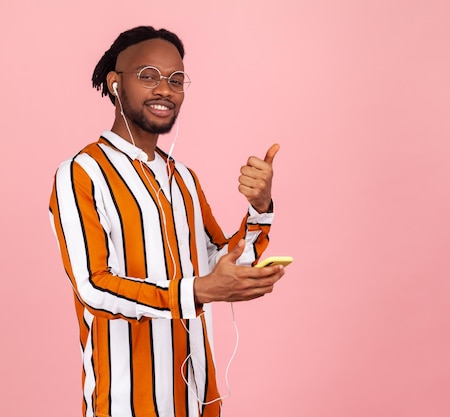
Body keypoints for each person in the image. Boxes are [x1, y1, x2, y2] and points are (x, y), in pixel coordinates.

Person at [49, 25, 286, 417]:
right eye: (148, 76)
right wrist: (195, 292)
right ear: (114, 84)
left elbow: (217, 265)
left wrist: (259, 209)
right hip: (125, 403)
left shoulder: (184, 179)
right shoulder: (81, 173)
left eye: (176, 80)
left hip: (197, 399)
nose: (165, 89)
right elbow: (93, 285)